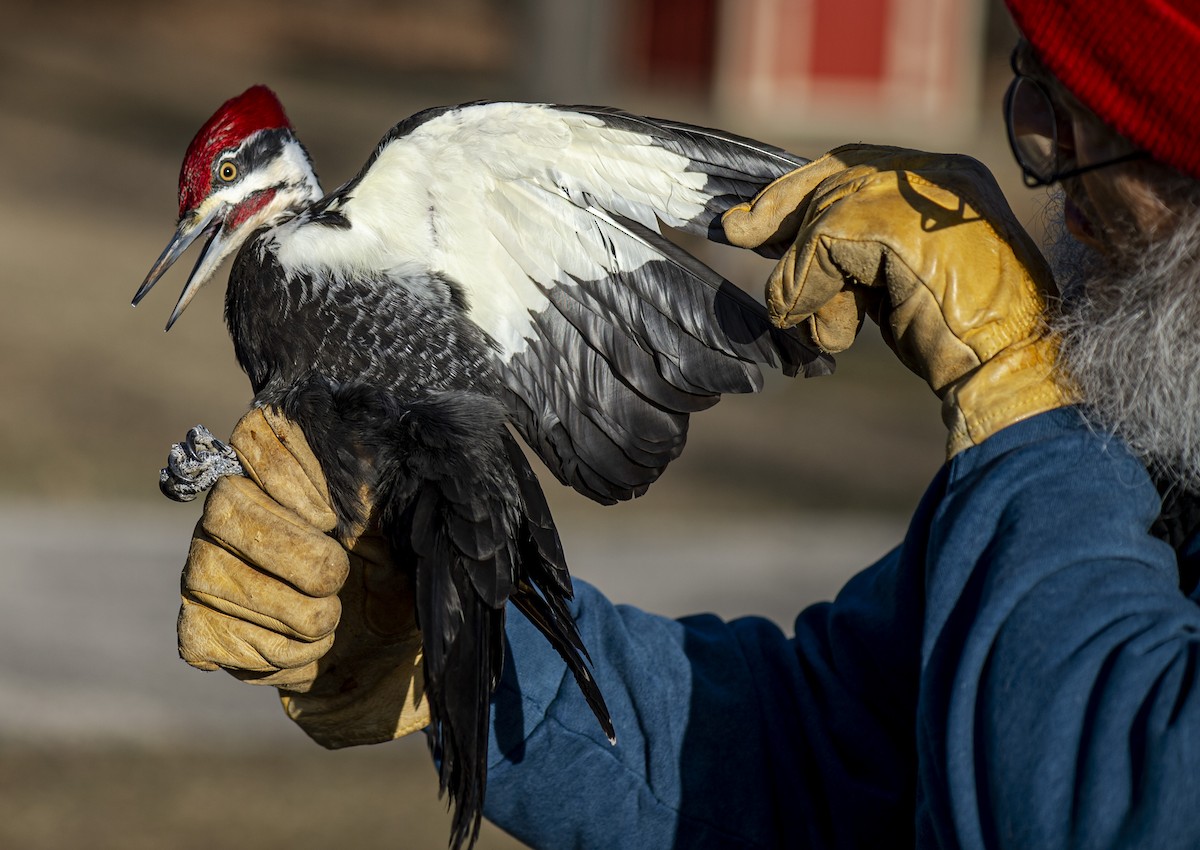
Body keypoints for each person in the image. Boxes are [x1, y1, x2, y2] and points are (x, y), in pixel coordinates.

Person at [173, 0, 1200, 846]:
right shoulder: (1142, 465)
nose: (1054, 200)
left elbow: (1096, 809)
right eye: (1030, 95)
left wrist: (1024, 401)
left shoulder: (1057, 458)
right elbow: (796, 758)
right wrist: (450, 645)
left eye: (1080, 130)